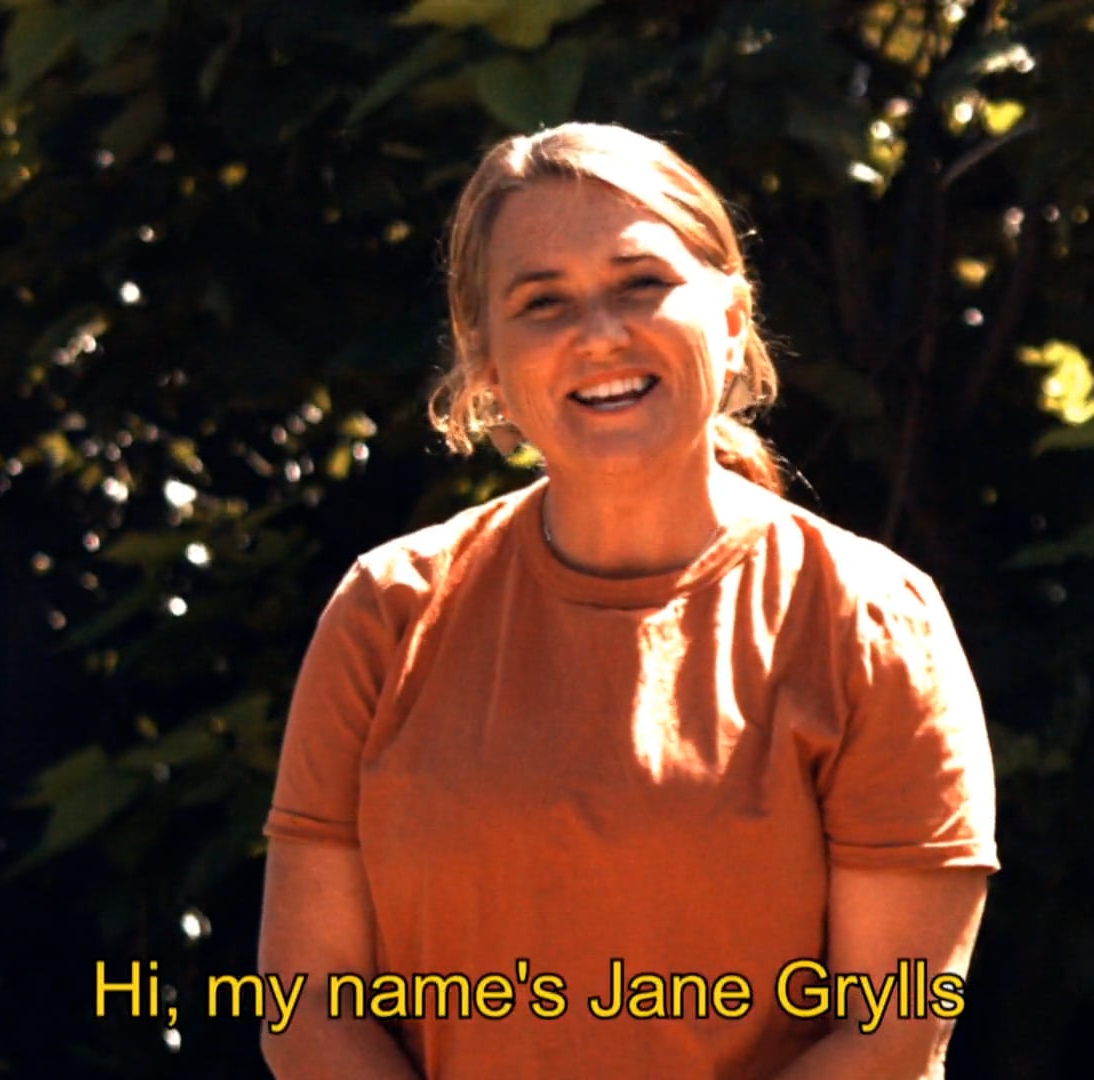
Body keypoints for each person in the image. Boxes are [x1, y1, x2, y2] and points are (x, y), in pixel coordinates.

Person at [258, 122, 998, 1079]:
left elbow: (891, 1030)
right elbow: (308, 1012)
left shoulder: (870, 620)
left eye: (640, 284)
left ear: (732, 317)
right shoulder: (389, 610)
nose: (598, 334)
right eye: (542, 301)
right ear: (485, 357)